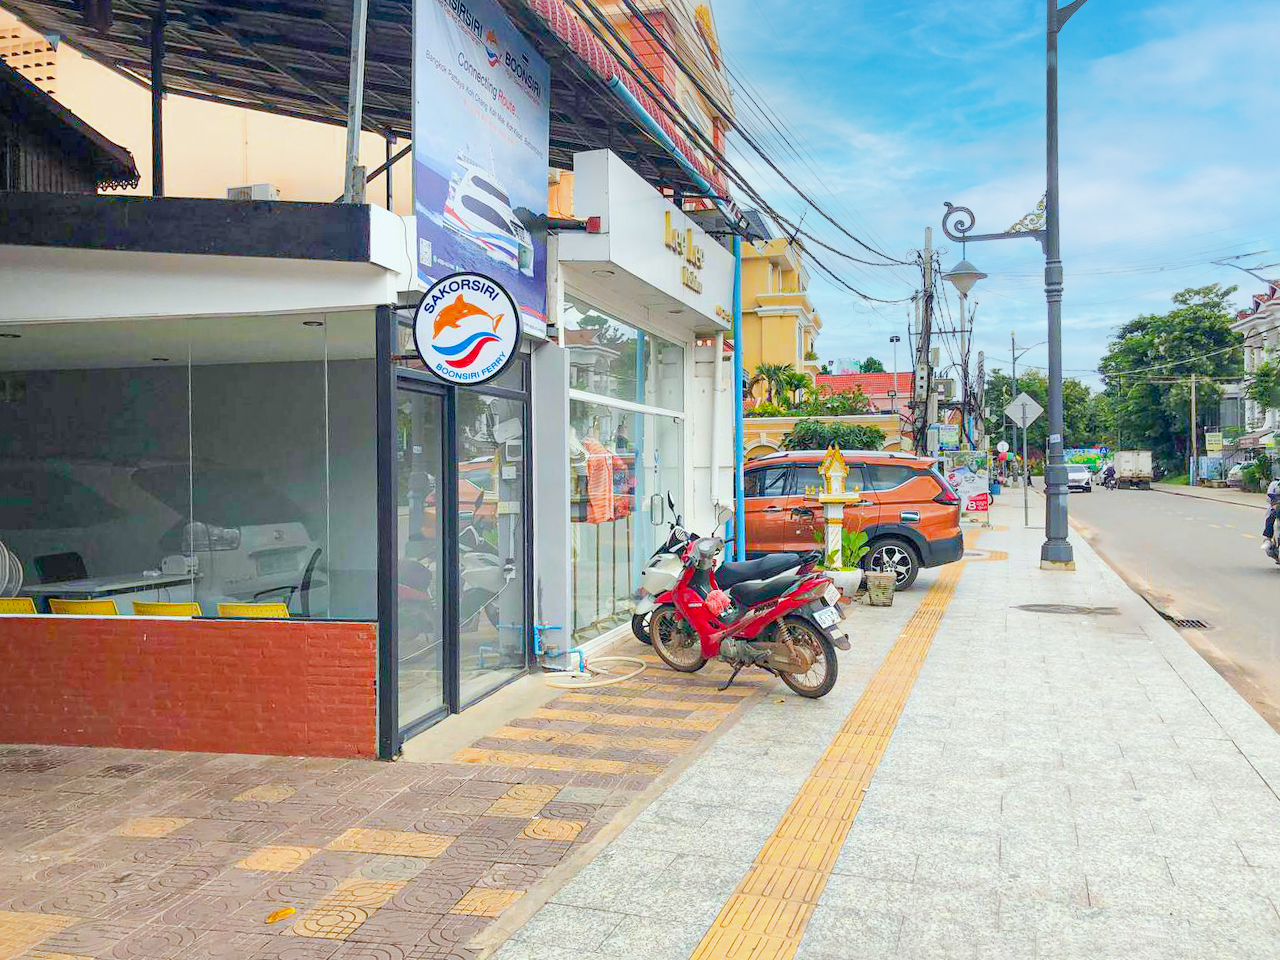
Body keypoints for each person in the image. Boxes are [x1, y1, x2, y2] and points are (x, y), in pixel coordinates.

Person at [1263, 478, 1280, 556]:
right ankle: (1268, 539)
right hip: (1277, 507)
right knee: (1271, 515)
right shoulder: (1276, 484)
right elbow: (1270, 498)